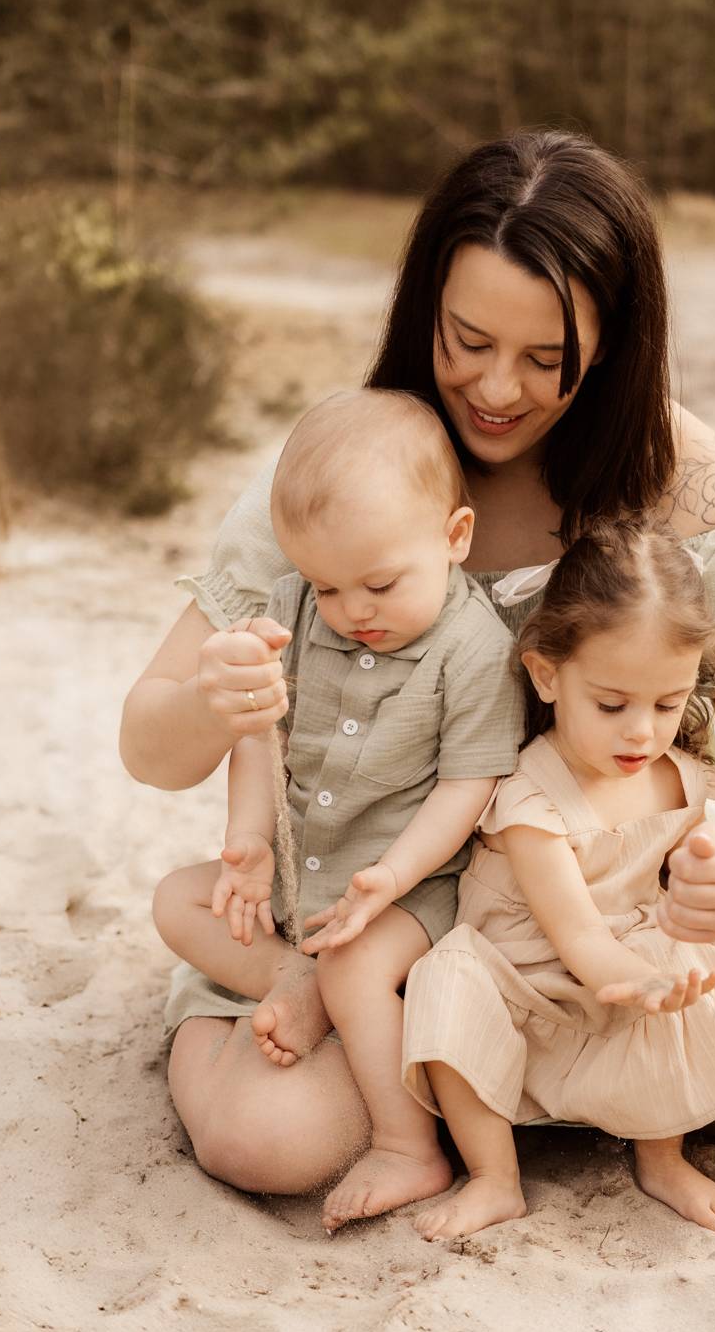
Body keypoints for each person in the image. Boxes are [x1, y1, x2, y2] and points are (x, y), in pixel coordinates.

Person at [121, 128, 715, 1198]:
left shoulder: (681, 478)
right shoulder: (355, 468)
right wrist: (214, 704)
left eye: (545, 358)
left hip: (612, 897)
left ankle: (517, 1074)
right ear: (424, 311)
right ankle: (463, 1061)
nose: (496, 388)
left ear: (611, 341)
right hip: (387, 911)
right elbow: (149, 739)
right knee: (260, 1142)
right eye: (465, 340)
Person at [402, 519, 715, 1239]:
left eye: (668, 704)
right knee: (445, 980)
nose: (642, 731)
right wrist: (635, 978)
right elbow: (573, 933)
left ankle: (661, 1155)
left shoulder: (684, 779)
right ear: (546, 674)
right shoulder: (530, 802)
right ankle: (494, 1177)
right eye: (612, 705)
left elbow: (689, 881)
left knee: (686, 958)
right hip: (531, 979)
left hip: (631, 958)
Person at [151, 390, 524, 1224]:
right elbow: (260, 735)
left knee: (356, 968)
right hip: (299, 878)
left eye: (380, 584)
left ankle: (408, 1149)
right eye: (328, 586)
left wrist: (391, 877)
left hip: (410, 890)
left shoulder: (474, 650)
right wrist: (246, 839)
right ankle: (289, 974)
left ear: (454, 539)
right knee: (177, 897)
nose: (354, 612)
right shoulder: (289, 610)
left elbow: (469, 787)